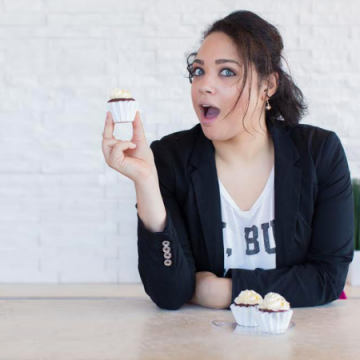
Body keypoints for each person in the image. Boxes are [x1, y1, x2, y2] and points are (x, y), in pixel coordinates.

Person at [102, 10, 354, 311]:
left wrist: (222, 291)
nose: (204, 86)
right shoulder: (170, 159)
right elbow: (170, 293)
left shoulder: (320, 153)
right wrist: (146, 184)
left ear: (268, 85)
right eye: (198, 71)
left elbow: (326, 279)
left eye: (227, 72)